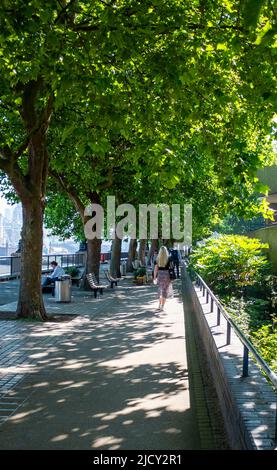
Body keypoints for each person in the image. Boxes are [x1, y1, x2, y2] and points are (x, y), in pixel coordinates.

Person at [153, 246, 172, 311]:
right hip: (166, 275)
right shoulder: (169, 258)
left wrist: (154, 277)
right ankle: (162, 306)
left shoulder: (157, 259)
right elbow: (171, 267)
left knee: (160, 290)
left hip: (160, 275)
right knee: (165, 291)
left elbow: (155, 269)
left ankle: (159, 305)